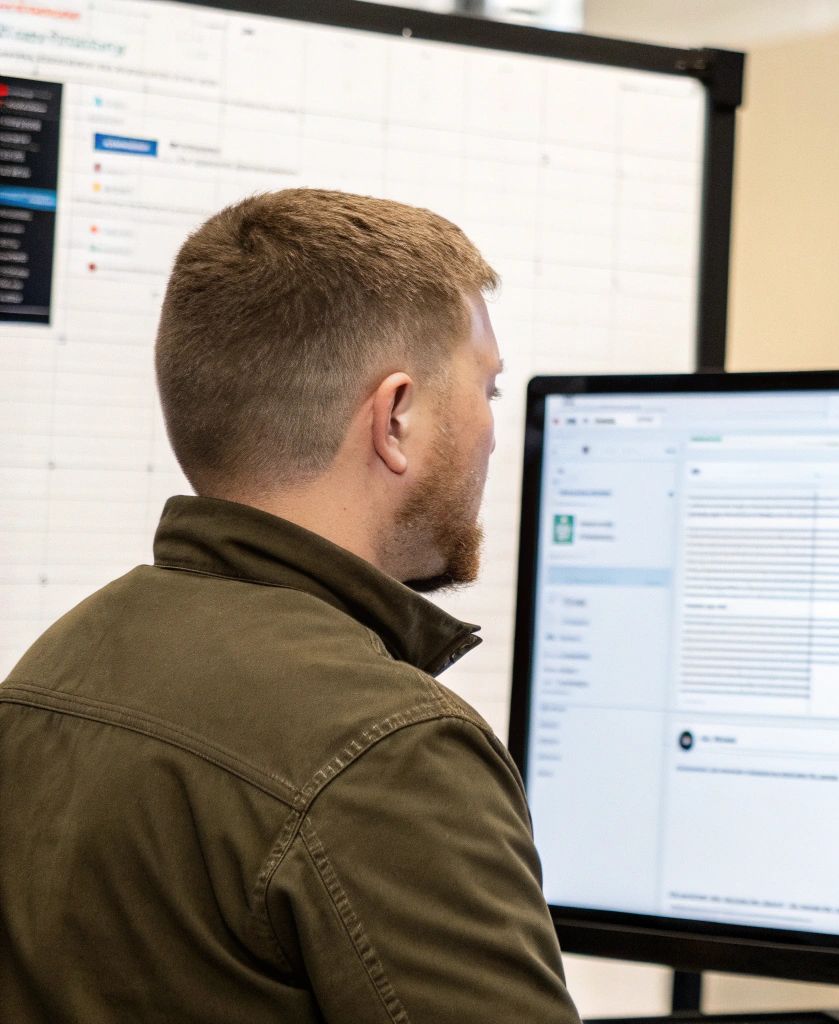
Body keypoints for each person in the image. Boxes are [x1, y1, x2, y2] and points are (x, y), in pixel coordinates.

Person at [0, 189, 582, 1023]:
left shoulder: (51, 668)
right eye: (488, 389)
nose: (495, 430)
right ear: (397, 417)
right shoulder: (390, 749)